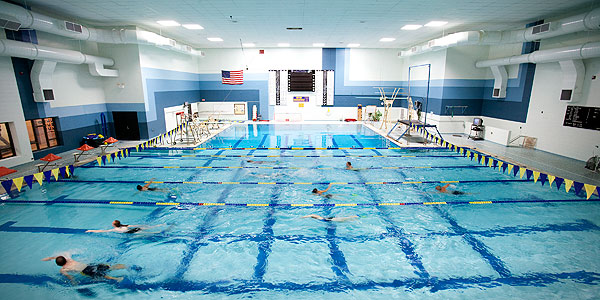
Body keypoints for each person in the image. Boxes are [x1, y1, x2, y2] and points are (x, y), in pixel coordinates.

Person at [42, 254, 126, 284]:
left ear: (59, 265)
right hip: (89, 265)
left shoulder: (63, 269)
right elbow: (59, 256)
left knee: (102, 275)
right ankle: (125, 266)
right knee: (109, 267)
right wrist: (50, 257)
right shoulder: (69, 259)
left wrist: (73, 281)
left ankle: (117, 279)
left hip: (86, 271)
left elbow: (70, 277)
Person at [86, 220, 165, 234]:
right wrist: (144, 225)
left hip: (131, 232)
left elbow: (103, 231)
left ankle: (159, 232)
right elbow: (135, 226)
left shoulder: (116, 229)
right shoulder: (124, 225)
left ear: (114, 225)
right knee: (150, 228)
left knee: (152, 233)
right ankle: (161, 225)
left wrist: (91, 230)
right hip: (134, 229)